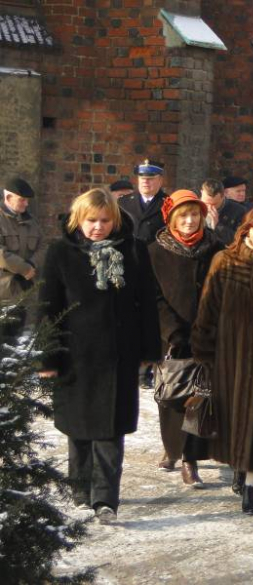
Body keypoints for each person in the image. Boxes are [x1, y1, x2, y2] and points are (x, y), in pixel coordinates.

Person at [39, 188, 161, 522]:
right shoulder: (61, 252)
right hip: (74, 354)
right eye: (92, 220)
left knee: (110, 429)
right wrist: (47, 357)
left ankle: (106, 499)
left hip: (118, 355)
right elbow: (48, 306)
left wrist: (150, 349)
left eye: (105, 220)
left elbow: (147, 302)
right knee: (78, 427)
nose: (98, 227)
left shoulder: (133, 250)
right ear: (79, 219)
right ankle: (79, 489)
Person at [192, 206, 253, 514]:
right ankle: (237, 466)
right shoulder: (225, 262)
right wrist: (204, 350)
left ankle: (251, 485)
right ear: (246, 231)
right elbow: (208, 308)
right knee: (232, 418)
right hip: (231, 356)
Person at [148, 190, 222, 485]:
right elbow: (152, 296)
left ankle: (190, 459)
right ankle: (172, 448)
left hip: (207, 334)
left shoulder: (216, 247)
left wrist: (210, 326)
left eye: (195, 215)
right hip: (171, 337)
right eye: (183, 216)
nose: (190, 221)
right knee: (171, 396)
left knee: (199, 398)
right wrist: (172, 330)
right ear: (171, 219)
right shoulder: (155, 251)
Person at [0, 177, 41, 342]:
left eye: (27, 200)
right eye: (22, 200)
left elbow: (43, 246)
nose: (26, 204)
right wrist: (24, 268)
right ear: (8, 198)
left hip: (23, 292)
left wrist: (32, 264)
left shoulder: (31, 222)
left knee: (15, 341)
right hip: (2, 292)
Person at [118, 158, 168, 244]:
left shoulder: (169, 203)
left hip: (154, 255)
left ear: (160, 180)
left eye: (150, 178)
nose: (145, 182)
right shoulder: (123, 202)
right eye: (142, 178)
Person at [200, 178, 247, 247]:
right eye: (206, 203)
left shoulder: (239, 211)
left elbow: (240, 240)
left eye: (214, 204)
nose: (209, 208)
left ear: (223, 196)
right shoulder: (194, 208)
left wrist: (218, 226)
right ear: (201, 193)